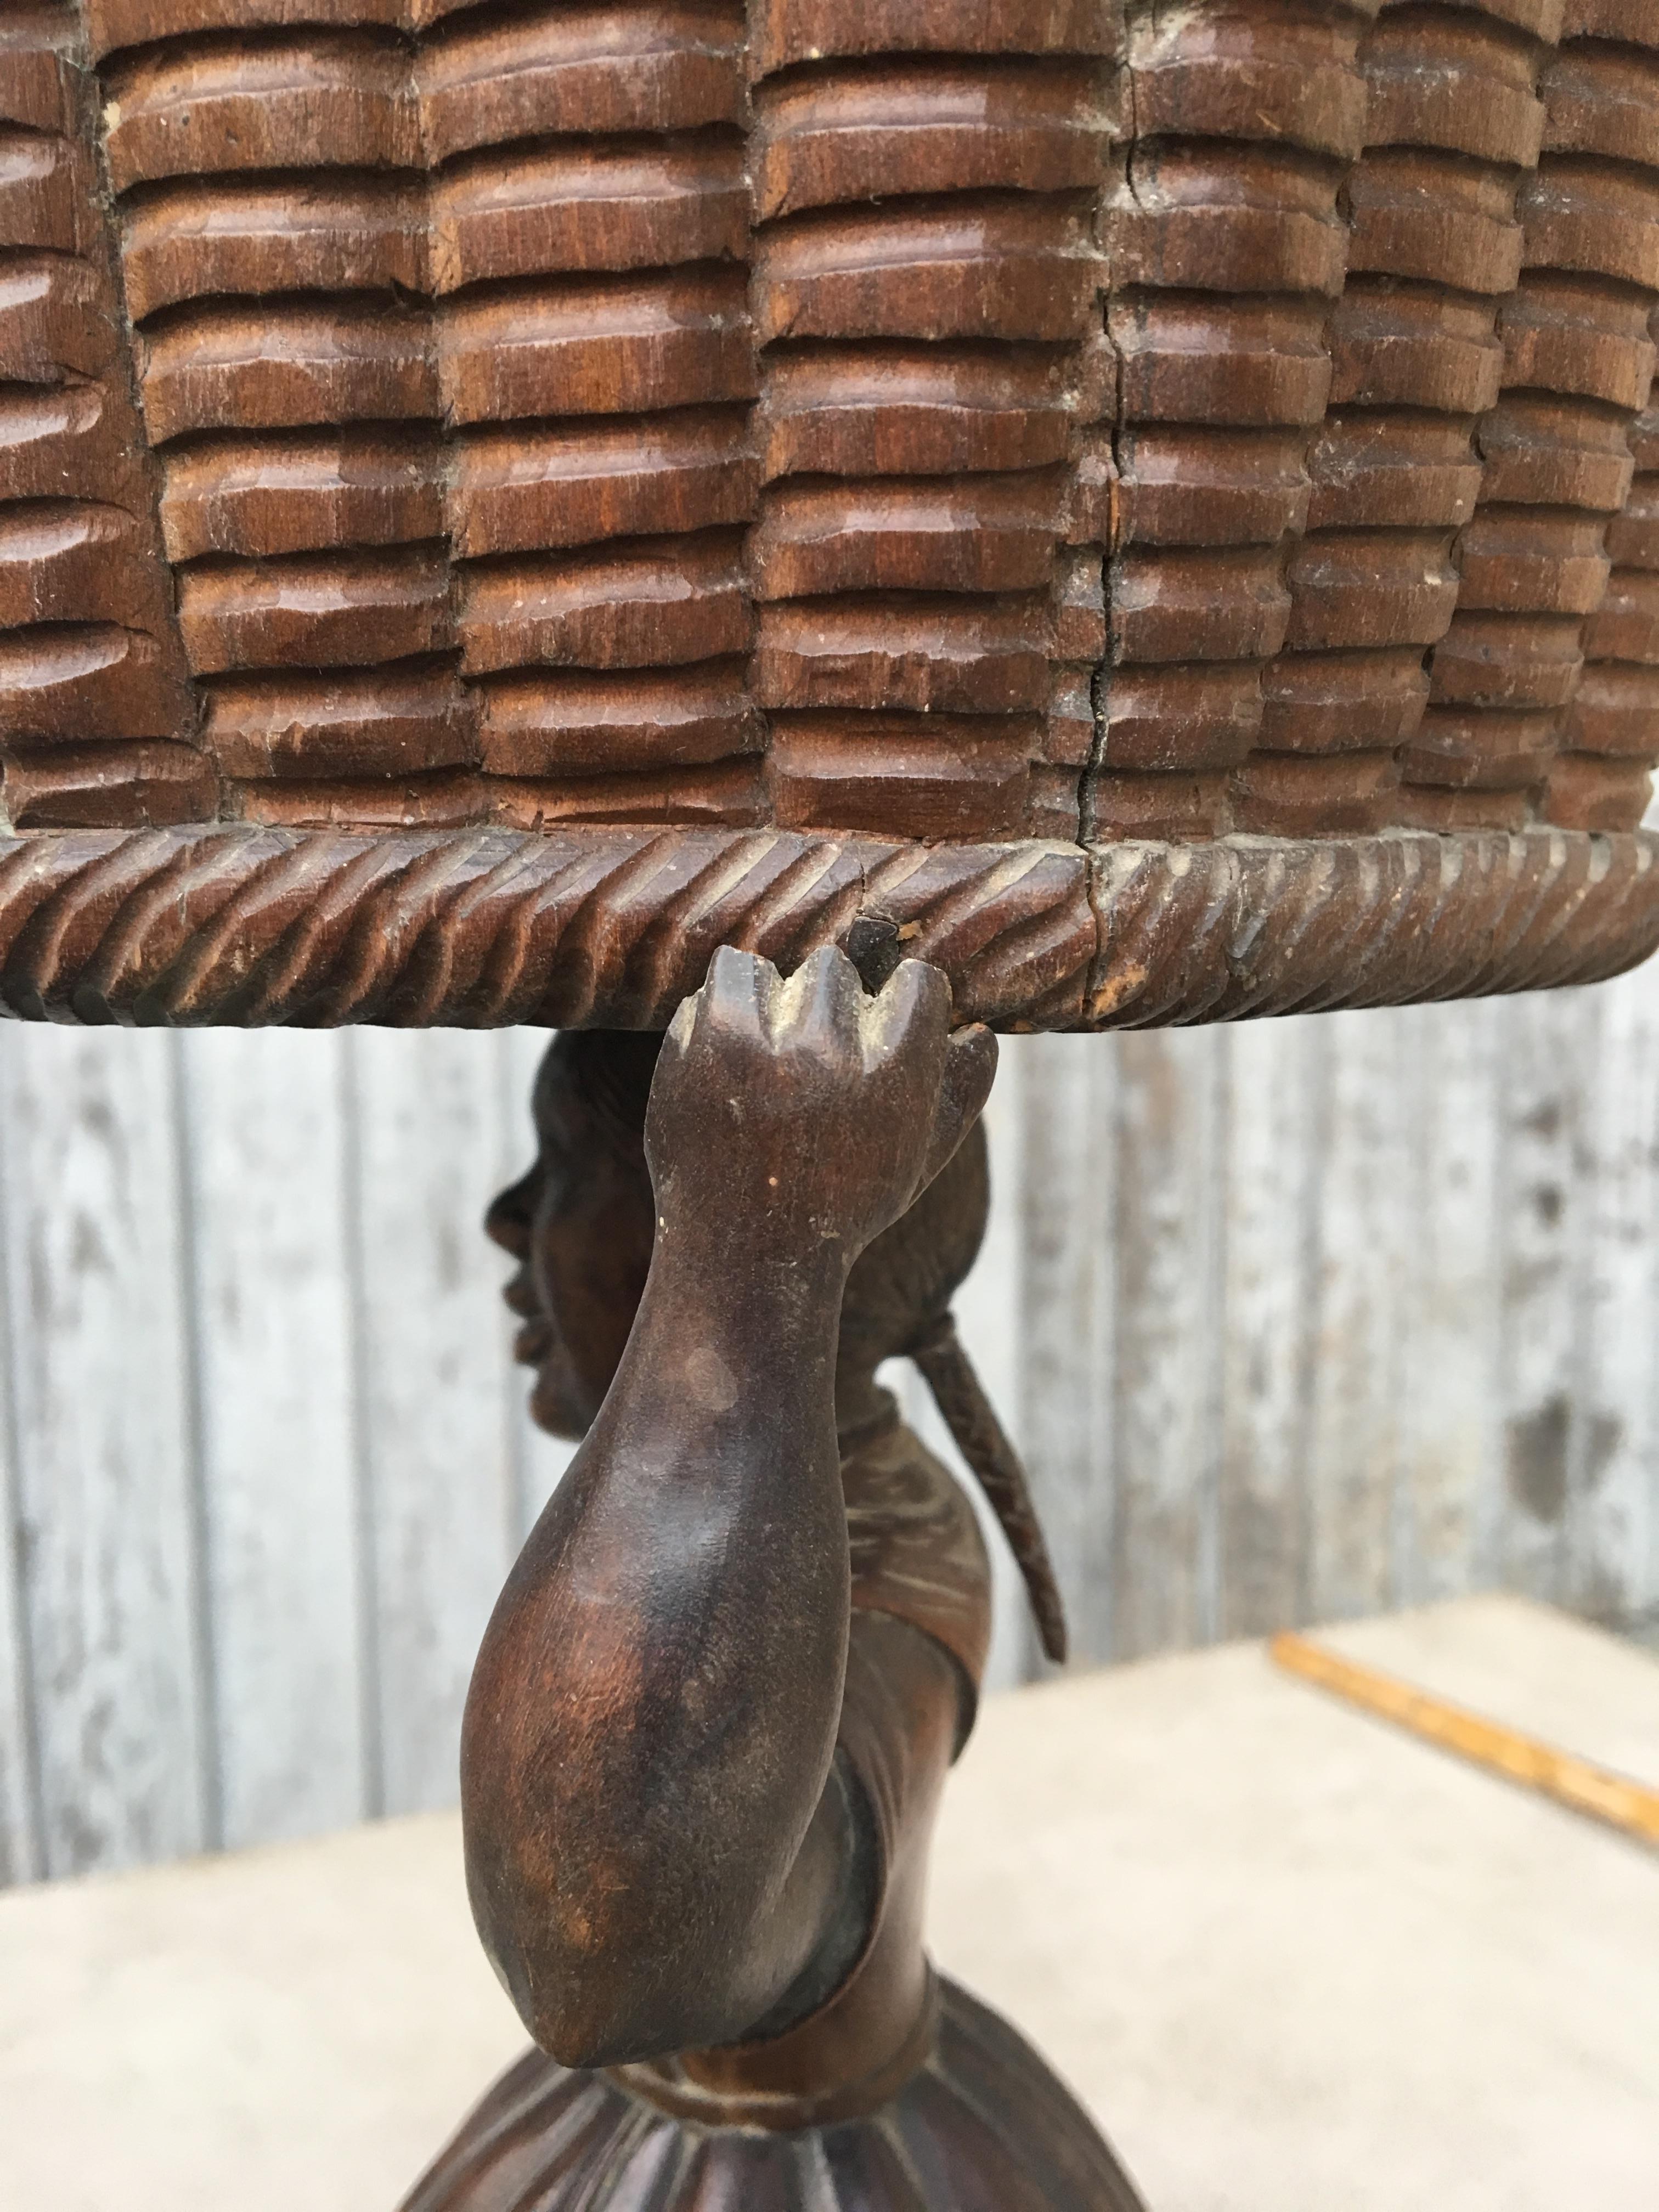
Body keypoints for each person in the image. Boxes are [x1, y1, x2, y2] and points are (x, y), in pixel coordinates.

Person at [402, 947, 1143, 2210]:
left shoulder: (892, 1550)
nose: (510, 1220)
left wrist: (753, 1252)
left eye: (572, 1168)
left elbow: (601, 1968)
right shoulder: (782, 1510)